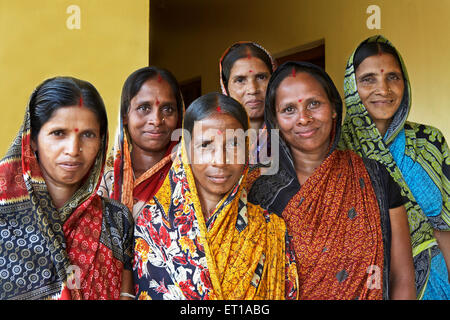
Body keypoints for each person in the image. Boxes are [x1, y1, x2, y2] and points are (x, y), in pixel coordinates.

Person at [248, 61, 416, 299]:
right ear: (274, 121)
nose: (304, 118)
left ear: (334, 108)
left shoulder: (374, 176)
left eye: (314, 104)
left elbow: (401, 276)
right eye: (288, 110)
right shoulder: (259, 191)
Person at [132, 92, 298, 300]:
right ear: (187, 151)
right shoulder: (152, 226)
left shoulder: (270, 230)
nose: (220, 160)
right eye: (205, 145)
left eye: (233, 144)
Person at [0, 77, 133, 300]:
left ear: (102, 140)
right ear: (32, 139)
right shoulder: (4, 217)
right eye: (59, 133)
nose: (73, 149)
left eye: (88, 135)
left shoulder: (117, 220)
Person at [339, 35, 450, 299]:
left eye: (393, 77)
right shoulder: (339, 151)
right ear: (351, 86)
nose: (384, 89)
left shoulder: (428, 142)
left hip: (436, 284)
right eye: (368, 79)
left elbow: (446, 228)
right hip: (364, 286)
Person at [98, 67, 184, 221]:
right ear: (125, 115)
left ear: (179, 115)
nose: (157, 120)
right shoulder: (103, 179)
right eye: (144, 108)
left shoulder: (188, 177)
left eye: (167, 109)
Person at [219, 41, 276, 165]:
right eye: (240, 80)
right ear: (225, 86)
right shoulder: (208, 139)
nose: (253, 89)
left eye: (261, 77)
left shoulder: (296, 134)